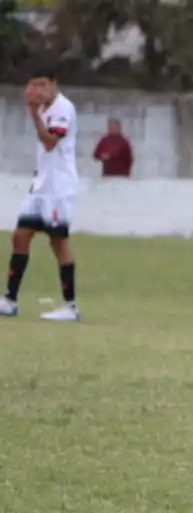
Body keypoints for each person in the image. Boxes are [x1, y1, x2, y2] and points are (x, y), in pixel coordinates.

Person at [1, 65, 80, 322]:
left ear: (54, 84)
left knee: (58, 242)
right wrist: (35, 111)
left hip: (59, 188)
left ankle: (70, 306)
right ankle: (10, 300)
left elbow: (49, 142)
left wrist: (33, 114)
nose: (38, 90)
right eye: (34, 85)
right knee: (20, 236)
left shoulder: (63, 109)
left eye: (43, 84)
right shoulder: (43, 109)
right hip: (41, 186)